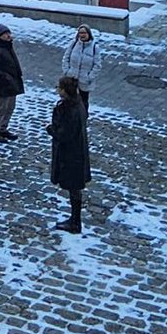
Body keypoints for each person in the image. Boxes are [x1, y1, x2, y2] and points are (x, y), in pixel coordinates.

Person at [46, 74, 92, 233]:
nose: (57, 90)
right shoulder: (77, 105)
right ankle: (74, 219)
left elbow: (64, 134)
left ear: (65, 91)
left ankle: (75, 222)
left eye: (59, 87)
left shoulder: (70, 110)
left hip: (72, 154)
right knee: (75, 188)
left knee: (74, 187)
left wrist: (51, 130)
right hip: (76, 152)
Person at [0, 24, 25, 142]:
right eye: (5, 34)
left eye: (9, 33)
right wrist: (7, 78)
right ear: (0, 36)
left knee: (10, 108)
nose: (9, 36)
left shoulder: (8, 46)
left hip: (12, 82)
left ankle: (3, 128)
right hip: (3, 84)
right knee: (1, 108)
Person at [61, 24, 100, 110]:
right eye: (80, 33)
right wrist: (67, 71)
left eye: (84, 33)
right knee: (69, 100)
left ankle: (82, 119)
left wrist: (89, 77)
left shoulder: (94, 48)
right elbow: (66, 57)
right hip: (71, 78)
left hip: (84, 80)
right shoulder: (74, 44)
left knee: (83, 102)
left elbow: (97, 65)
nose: (82, 35)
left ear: (89, 34)